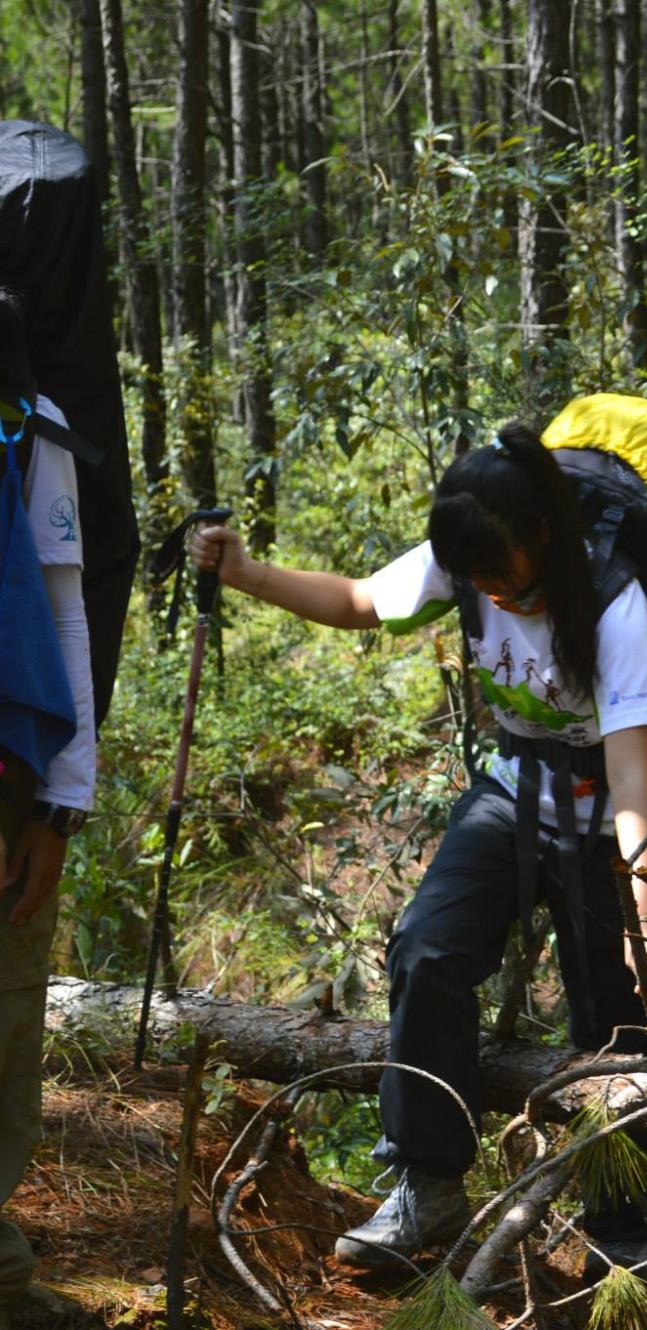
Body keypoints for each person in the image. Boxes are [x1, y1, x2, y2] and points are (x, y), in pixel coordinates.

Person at [191, 424, 647, 1273]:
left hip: (605, 818)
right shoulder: (467, 557)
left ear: (542, 536)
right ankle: (427, 1183)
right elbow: (358, 601)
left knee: (616, 1017)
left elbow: (634, 782)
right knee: (426, 950)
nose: (488, 590)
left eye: (501, 574)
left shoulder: (614, 601)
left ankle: (633, 1232)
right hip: (512, 792)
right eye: (474, 578)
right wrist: (243, 572)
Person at [0, 287, 96, 1312]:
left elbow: (63, 612)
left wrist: (60, 806)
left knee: (4, 1023)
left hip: (8, 782)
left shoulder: (29, 425)